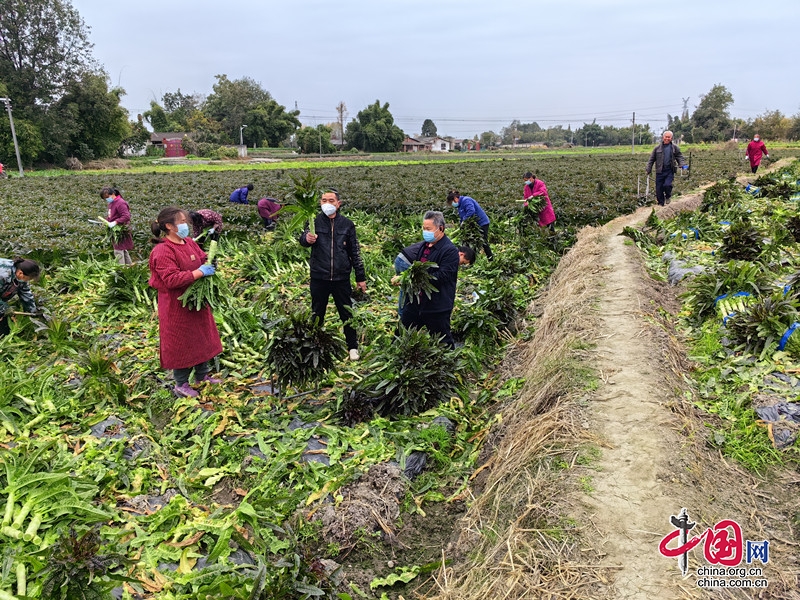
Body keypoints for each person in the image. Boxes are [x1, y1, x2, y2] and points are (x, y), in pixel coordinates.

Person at [148, 206, 223, 398]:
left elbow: (201, 257)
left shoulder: (188, 242)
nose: (185, 225)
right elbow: (171, 279)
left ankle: (202, 375)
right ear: (169, 226)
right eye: (181, 222)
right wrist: (199, 272)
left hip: (196, 302)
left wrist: (210, 262)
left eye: (185, 221)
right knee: (180, 342)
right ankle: (181, 383)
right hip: (177, 305)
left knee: (201, 337)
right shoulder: (162, 251)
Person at [299, 188, 367, 361]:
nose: (327, 204)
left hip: (341, 277)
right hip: (319, 277)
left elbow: (355, 252)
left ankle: (352, 347)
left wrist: (360, 277)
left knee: (346, 313)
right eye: (323, 200)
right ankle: (314, 345)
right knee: (317, 313)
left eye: (331, 200)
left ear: (338, 204)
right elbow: (302, 239)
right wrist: (306, 239)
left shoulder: (347, 224)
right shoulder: (313, 221)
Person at [399, 211, 460, 348]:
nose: (425, 232)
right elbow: (416, 269)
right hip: (416, 303)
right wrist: (406, 277)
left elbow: (443, 276)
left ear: (441, 229)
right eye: (423, 228)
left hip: (436, 306)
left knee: (443, 342)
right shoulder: (424, 246)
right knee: (401, 336)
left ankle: (448, 365)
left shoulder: (449, 251)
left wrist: (415, 279)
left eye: (428, 229)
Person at [645, 131, 688, 206]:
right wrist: (648, 169)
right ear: (663, 137)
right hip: (660, 171)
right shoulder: (657, 148)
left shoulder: (674, 148)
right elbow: (651, 159)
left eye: (669, 137)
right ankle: (661, 204)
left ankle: (668, 196)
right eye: (666, 137)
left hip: (669, 170)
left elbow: (679, 157)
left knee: (667, 185)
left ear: (671, 138)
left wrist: (682, 164)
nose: (667, 138)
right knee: (659, 189)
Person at [447, 190, 493, 260]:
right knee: (472, 243)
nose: (452, 204)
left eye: (452, 202)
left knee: (483, 242)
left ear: (455, 199)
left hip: (482, 223)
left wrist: (464, 221)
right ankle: (471, 260)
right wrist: (461, 223)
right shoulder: (459, 206)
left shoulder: (466, 200)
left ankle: (490, 259)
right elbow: (462, 216)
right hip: (474, 225)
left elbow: (471, 211)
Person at [0, 258, 39, 337]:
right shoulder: (3, 274)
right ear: (20, 273)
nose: (28, 281)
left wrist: (32, 311)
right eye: (29, 278)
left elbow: (25, 293)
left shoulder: (20, 275)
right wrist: (5, 308)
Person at [101, 186, 134, 265]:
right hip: (116, 230)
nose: (107, 199)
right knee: (122, 249)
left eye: (107, 197)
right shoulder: (112, 203)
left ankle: (121, 270)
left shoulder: (120, 202)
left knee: (118, 251)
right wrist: (107, 222)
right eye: (105, 198)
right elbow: (111, 216)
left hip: (121, 230)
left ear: (112, 194)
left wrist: (115, 222)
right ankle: (129, 267)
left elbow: (126, 216)